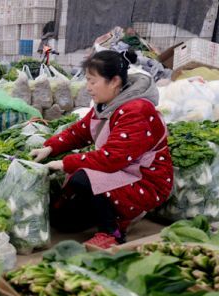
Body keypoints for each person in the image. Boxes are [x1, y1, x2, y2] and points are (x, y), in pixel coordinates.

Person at [30, 49, 173, 249]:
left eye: (92, 81)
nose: (88, 87)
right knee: (62, 221)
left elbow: (112, 158)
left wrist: (64, 163)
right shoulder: (108, 104)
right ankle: (107, 213)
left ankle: (113, 232)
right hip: (120, 172)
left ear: (114, 81)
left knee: (83, 176)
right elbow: (79, 132)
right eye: (87, 81)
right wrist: (49, 148)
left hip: (145, 180)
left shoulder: (137, 111)